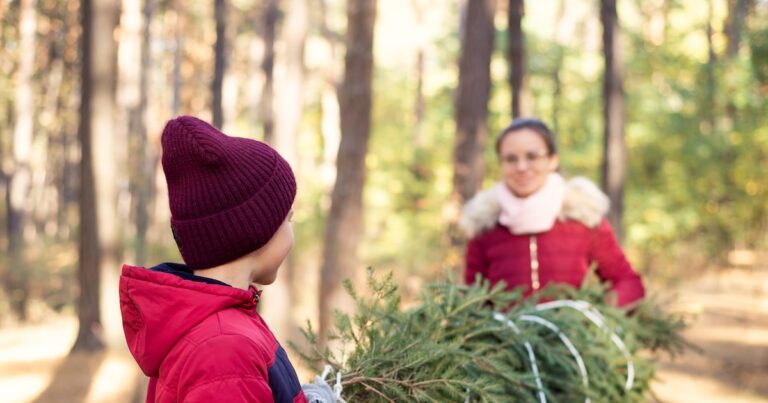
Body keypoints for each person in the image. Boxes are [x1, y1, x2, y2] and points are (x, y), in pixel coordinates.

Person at [119, 116, 309, 402]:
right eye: (289, 219)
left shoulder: (226, 324)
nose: (292, 232)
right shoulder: (225, 348)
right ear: (257, 230)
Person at [460, 117, 645, 307]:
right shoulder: (484, 225)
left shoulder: (582, 217)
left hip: (571, 335)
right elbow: (472, 298)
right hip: (506, 334)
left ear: (552, 160)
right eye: (511, 159)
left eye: (532, 156)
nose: (522, 167)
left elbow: (627, 282)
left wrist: (595, 317)